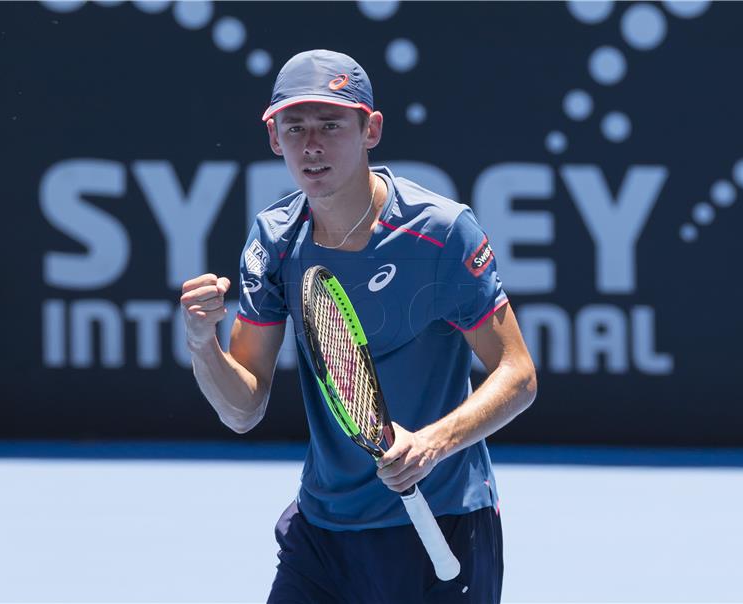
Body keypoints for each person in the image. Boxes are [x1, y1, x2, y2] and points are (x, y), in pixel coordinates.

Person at [181, 49, 537, 603]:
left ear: (370, 129)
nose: (311, 145)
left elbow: (518, 373)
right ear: (274, 139)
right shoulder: (274, 239)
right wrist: (203, 346)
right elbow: (244, 409)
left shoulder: (442, 233)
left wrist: (431, 444)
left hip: (442, 523)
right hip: (321, 535)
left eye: (331, 125)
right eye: (294, 128)